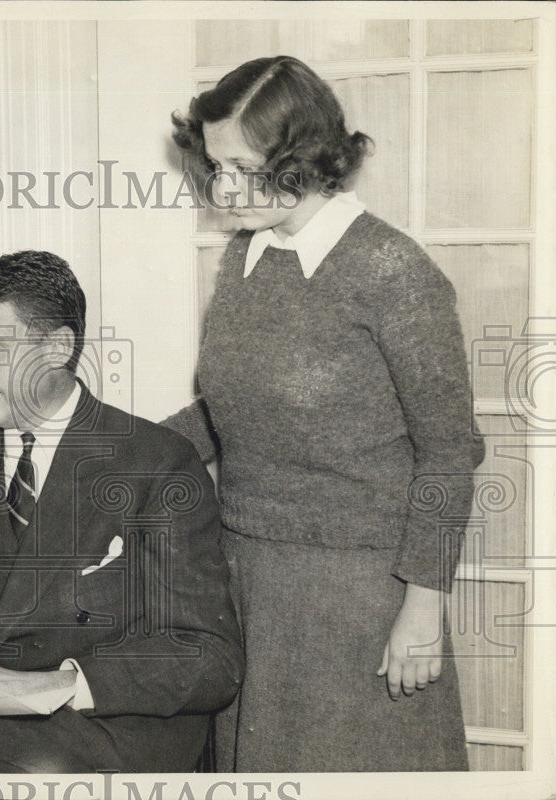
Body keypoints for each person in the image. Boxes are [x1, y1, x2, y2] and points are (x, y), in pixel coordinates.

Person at [164, 55, 485, 772]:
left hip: (361, 597)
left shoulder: (391, 271)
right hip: (245, 579)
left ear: (305, 158)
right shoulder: (244, 258)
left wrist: (423, 608)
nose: (224, 189)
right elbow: (229, 411)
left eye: (244, 167)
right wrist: (106, 446)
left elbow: (448, 453)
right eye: (215, 166)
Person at [0, 251, 244, 773]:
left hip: (112, 726)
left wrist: (63, 680)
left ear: (58, 348)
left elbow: (210, 657)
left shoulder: (159, 464)